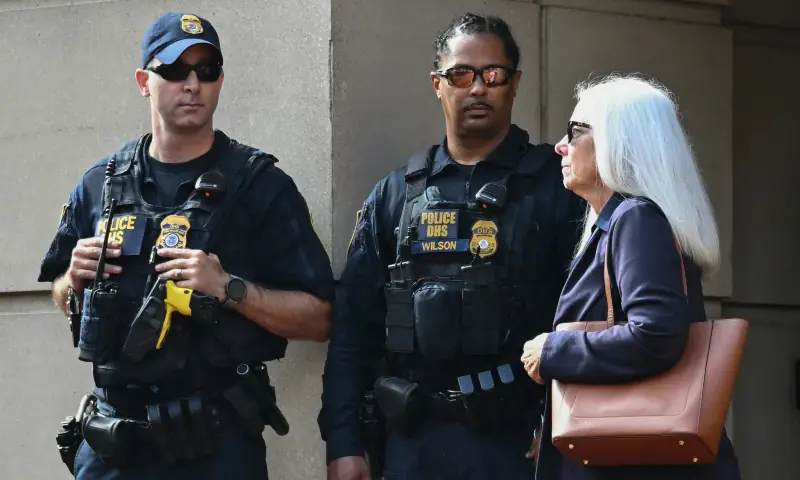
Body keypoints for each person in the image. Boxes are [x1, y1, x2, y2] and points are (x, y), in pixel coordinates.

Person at [39, 12, 334, 480]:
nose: (193, 84)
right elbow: (60, 295)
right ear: (144, 82)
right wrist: (71, 281)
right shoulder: (100, 186)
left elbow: (320, 318)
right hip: (115, 448)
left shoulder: (261, 187)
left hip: (215, 447)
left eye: (207, 71)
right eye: (175, 70)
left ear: (220, 81)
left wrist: (229, 288)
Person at [319, 13, 585, 480]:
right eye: (461, 74)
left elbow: (591, 320)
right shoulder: (395, 196)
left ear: (515, 83)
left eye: (493, 74)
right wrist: (343, 442)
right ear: (437, 84)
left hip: (520, 444)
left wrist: (564, 418)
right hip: (412, 444)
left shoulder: (558, 189)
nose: (478, 88)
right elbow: (353, 328)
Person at [520, 75, 742, 480]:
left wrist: (552, 350)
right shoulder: (626, 221)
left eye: (576, 131)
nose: (560, 145)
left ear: (618, 142)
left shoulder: (636, 219)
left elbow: (655, 334)